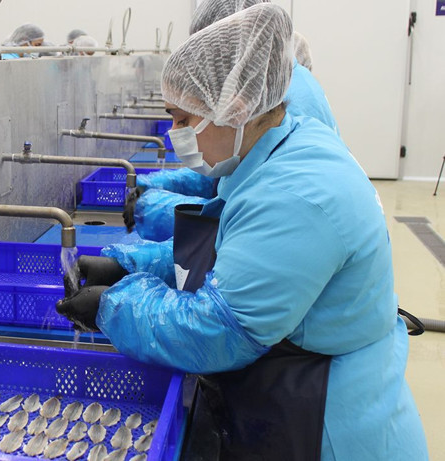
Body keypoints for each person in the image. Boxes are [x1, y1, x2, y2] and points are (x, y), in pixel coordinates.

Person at [57, 4, 428, 460]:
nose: (175, 135)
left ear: (234, 107)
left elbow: (218, 331)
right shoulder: (277, 147)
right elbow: (231, 244)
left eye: (184, 119)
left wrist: (114, 308)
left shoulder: (297, 194)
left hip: (332, 426)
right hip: (306, 382)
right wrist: (131, 263)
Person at [126, 0, 337, 240]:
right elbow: (233, 174)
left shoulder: (288, 99)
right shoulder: (268, 88)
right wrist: (161, 184)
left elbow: (254, 224)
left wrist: (160, 211)